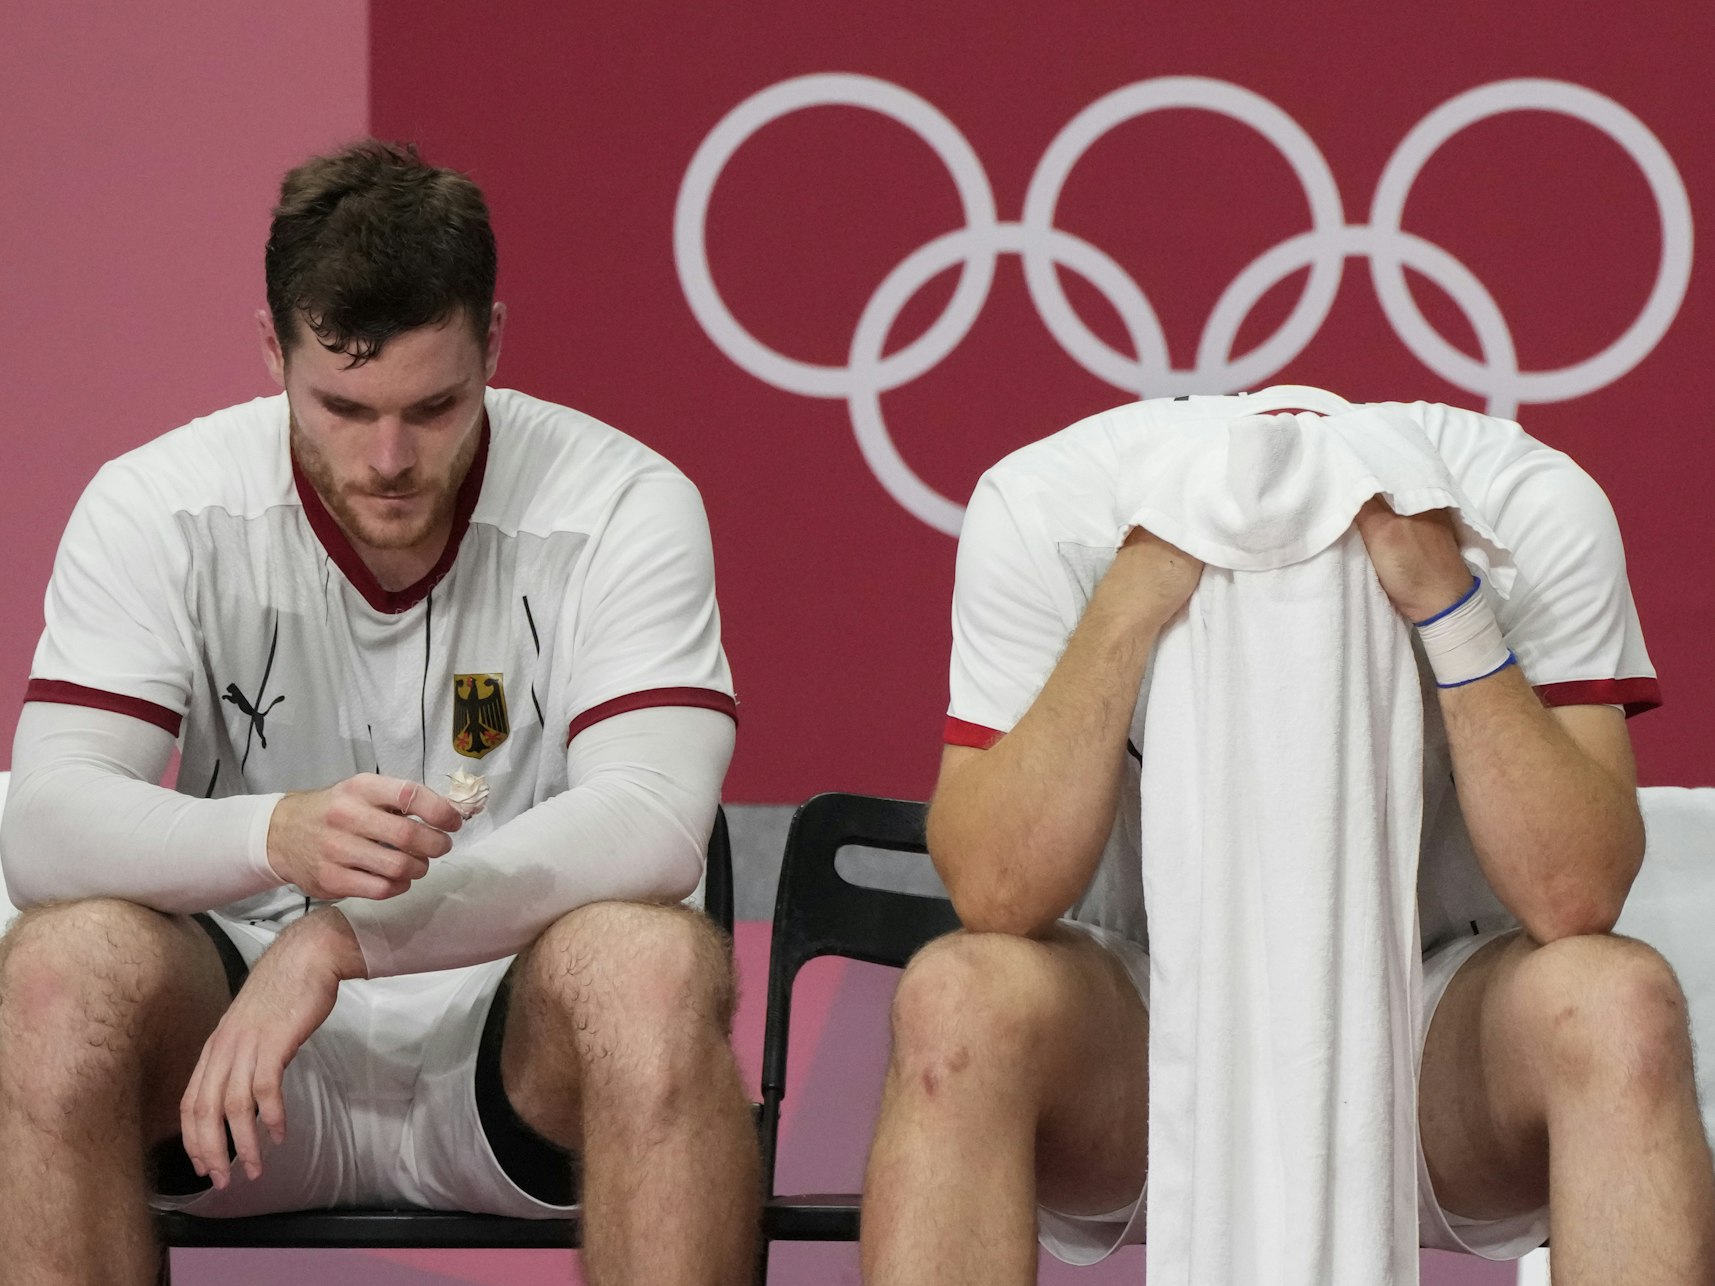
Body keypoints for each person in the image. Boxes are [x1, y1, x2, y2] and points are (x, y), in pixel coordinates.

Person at [0, 140, 757, 1286]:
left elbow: (654, 819)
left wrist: (344, 936)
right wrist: (274, 834)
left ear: (492, 343)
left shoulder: (622, 501)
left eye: (435, 405)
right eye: (343, 408)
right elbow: (47, 821)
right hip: (233, 1041)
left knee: (653, 966)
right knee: (60, 972)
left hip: (513, 1032)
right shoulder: (157, 503)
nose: (389, 458)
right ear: (273, 352)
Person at [860, 386, 1715, 1285]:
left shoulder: (1526, 503)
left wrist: (1450, 608)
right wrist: (1125, 605)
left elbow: (1575, 893)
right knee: (957, 998)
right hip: (1142, 1052)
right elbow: (995, 891)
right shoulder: (1046, 506)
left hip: (1437, 1060)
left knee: (1616, 1001)